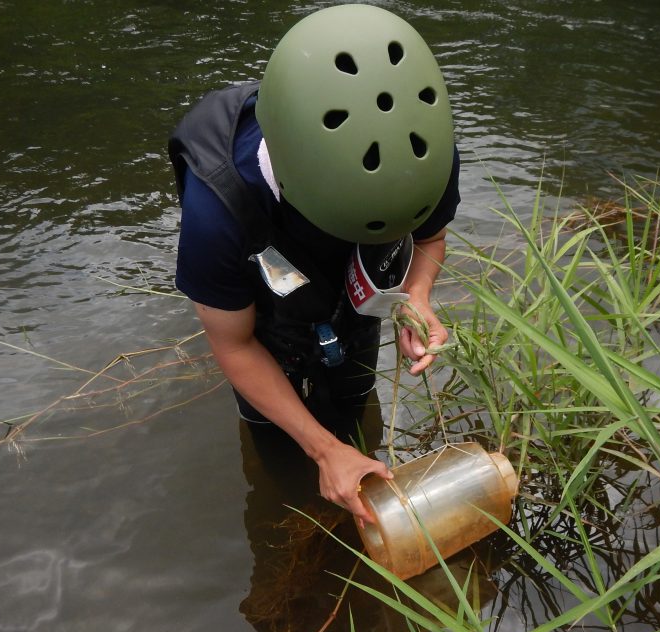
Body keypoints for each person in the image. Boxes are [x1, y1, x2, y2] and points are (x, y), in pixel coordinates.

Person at [168, 4, 461, 526]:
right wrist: (322, 451)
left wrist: (415, 293)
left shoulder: (421, 154)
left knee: (353, 394)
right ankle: (295, 526)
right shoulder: (218, 211)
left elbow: (431, 236)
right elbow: (233, 343)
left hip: (358, 294)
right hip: (267, 314)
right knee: (279, 445)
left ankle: (348, 473)